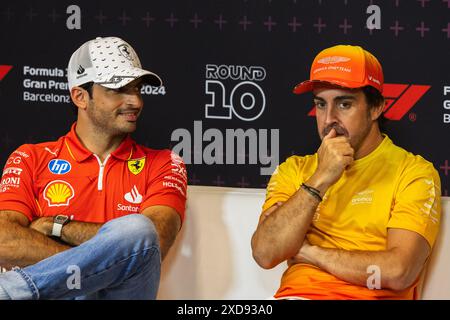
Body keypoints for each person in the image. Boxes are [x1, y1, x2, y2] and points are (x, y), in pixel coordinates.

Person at [0, 36, 187, 300]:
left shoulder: (165, 163)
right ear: (80, 96)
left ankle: (13, 290)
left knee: (138, 230)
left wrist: (57, 227)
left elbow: (153, 241)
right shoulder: (30, 157)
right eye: (119, 89)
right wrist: (108, 268)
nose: (135, 101)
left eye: (137, 89)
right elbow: (3, 240)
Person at [251, 44, 441, 300]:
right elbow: (265, 253)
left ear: (375, 108)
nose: (329, 118)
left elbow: (399, 272)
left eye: (344, 104)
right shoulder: (295, 169)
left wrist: (310, 253)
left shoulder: (413, 172)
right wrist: (319, 180)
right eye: (320, 104)